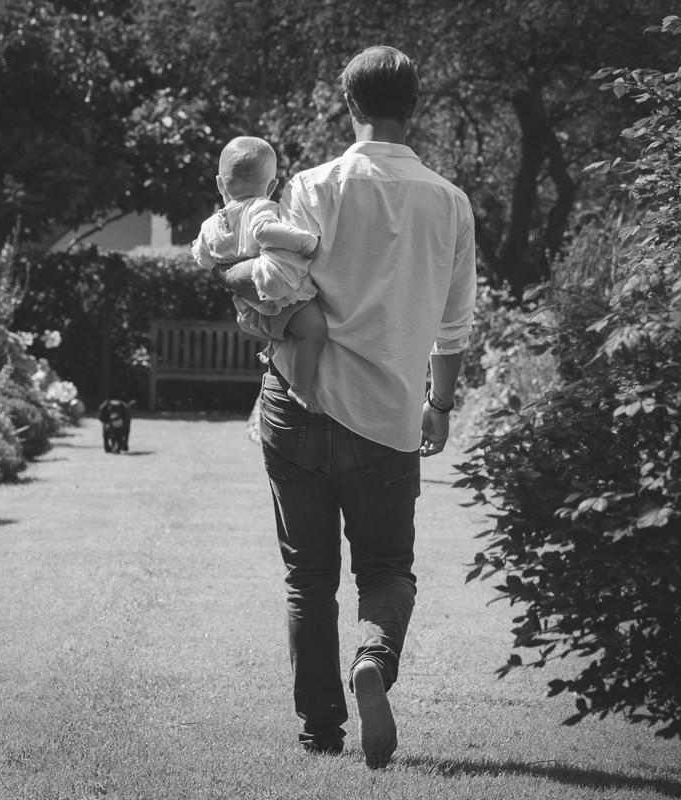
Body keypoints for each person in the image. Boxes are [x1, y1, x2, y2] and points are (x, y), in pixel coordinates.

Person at [218, 45, 476, 769]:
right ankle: (375, 656)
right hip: (388, 418)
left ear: (349, 105)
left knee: (309, 579)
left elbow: (274, 282)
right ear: (412, 107)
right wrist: (442, 406)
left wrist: (231, 272)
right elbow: (454, 328)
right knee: (388, 568)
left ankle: (320, 731)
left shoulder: (312, 185)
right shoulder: (450, 202)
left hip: (298, 408)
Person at [191, 136, 327, 397]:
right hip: (282, 298)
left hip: (248, 307)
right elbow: (266, 231)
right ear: (273, 185)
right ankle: (301, 386)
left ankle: (277, 350)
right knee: (315, 331)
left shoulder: (209, 225)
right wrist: (305, 242)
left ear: (220, 184)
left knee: (292, 329)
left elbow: (203, 257)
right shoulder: (260, 207)